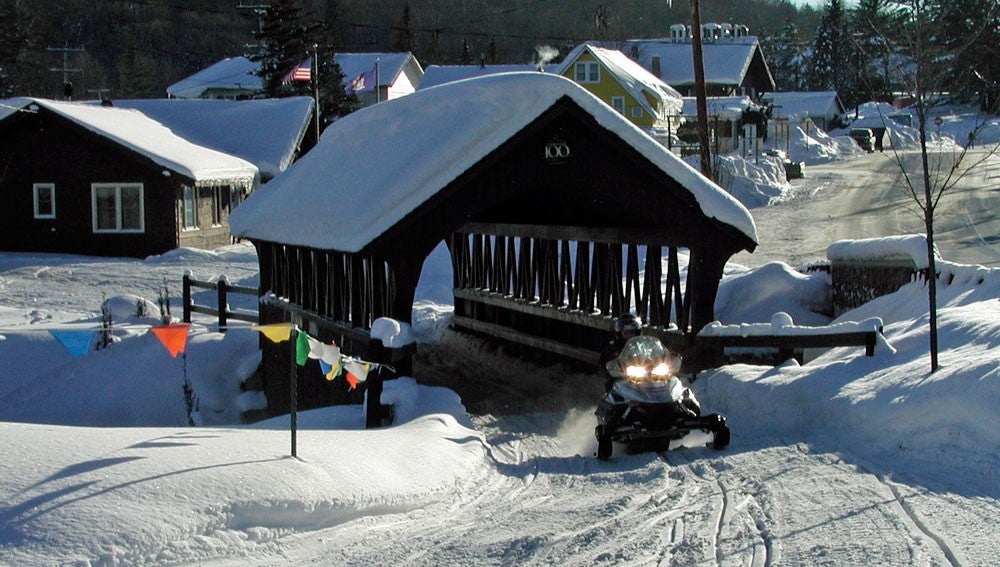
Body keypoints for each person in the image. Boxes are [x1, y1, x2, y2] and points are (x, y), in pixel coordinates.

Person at [599, 313, 643, 390]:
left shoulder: (641, 345)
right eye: (625, 333)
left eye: (631, 332)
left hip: (642, 377)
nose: (629, 335)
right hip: (621, 379)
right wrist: (611, 369)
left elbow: (651, 355)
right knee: (612, 387)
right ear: (620, 333)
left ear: (637, 332)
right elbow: (604, 363)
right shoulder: (613, 346)